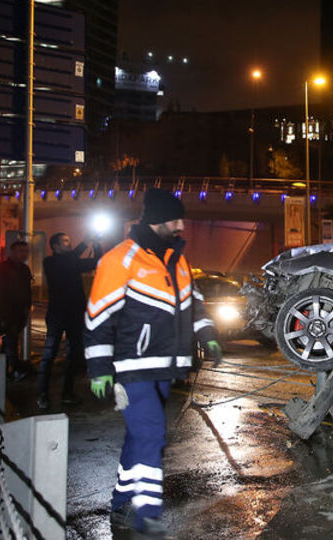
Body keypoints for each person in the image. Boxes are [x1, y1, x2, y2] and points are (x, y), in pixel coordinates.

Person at [84, 188, 221, 537]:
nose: (180, 225)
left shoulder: (177, 258)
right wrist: (99, 368)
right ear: (157, 219)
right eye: (174, 219)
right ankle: (146, 513)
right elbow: (98, 318)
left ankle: (121, 500)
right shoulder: (120, 259)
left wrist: (208, 336)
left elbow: (195, 302)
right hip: (130, 369)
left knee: (138, 435)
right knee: (151, 434)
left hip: (165, 366)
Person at [36, 232, 103, 409]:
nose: (69, 243)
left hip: (74, 315)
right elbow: (70, 262)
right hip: (57, 315)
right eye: (65, 241)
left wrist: (96, 244)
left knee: (74, 356)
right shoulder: (51, 262)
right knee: (49, 354)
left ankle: (67, 394)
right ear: (56, 246)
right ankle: (42, 394)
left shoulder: (72, 261)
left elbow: (97, 261)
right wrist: (84, 243)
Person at [0, 240, 33, 381]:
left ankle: (5, 371)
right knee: (10, 341)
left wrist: (28, 307)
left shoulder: (25, 269)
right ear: (12, 252)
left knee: (11, 341)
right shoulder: (0, 269)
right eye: (20, 251)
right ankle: (15, 370)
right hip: (4, 312)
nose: (24, 254)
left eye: (26, 251)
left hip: (20, 313)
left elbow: (27, 291)